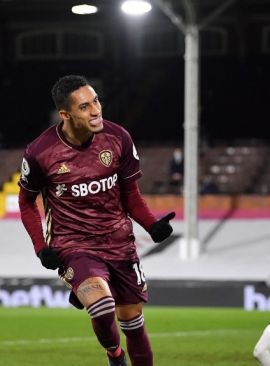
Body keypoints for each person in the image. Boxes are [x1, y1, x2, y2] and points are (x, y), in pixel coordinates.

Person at [18, 75, 174, 366]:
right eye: (85, 106)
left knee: (133, 321)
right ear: (66, 114)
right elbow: (26, 202)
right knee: (102, 307)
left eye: (96, 101)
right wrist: (41, 247)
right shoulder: (40, 152)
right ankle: (115, 355)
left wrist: (152, 225)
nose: (96, 110)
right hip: (73, 244)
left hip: (119, 243)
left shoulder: (118, 138)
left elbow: (131, 194)